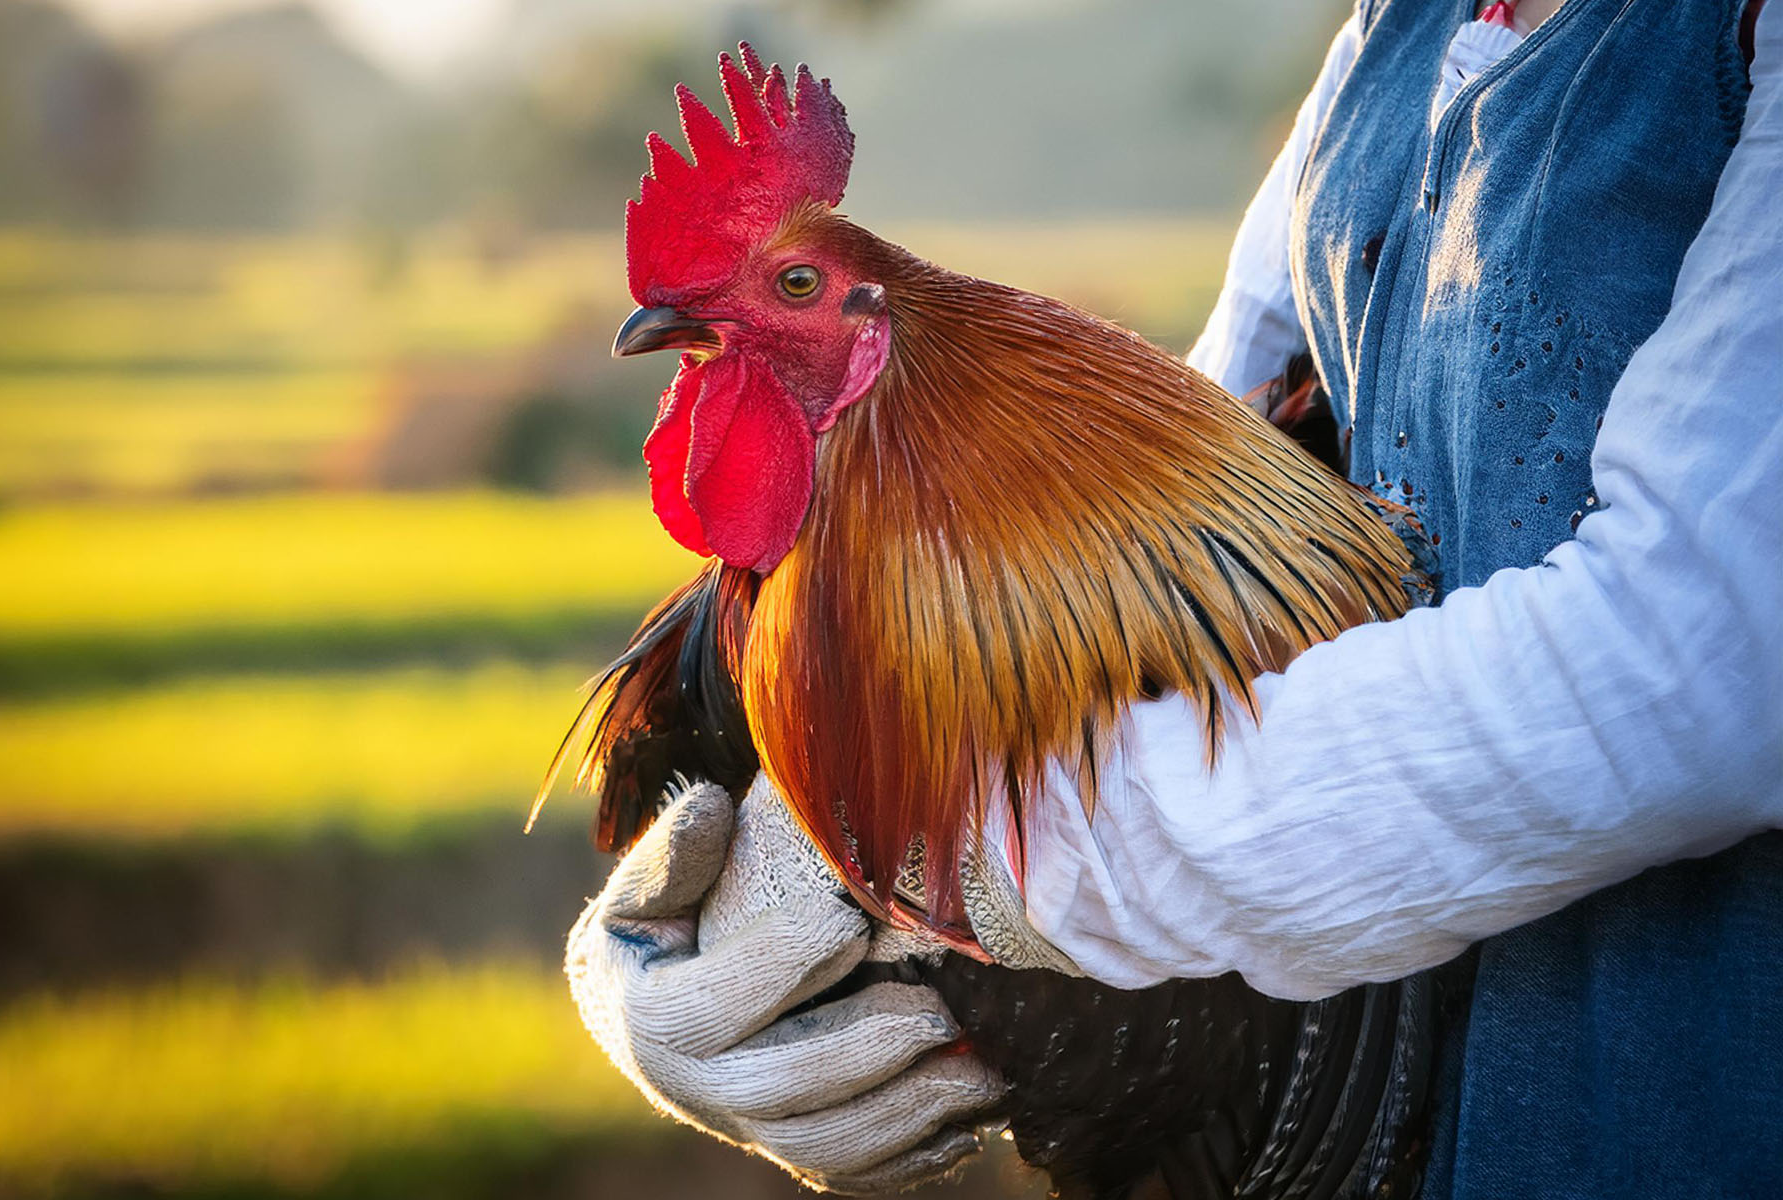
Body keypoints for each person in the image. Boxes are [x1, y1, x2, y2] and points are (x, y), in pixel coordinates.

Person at [566, 0, 1783, 1194]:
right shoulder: (1393, 28)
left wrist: (947, 860)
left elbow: (1706, 653)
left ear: (877, 327)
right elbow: (1194, 448)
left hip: (1665, 1108)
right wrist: (673, 958)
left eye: (785, 290)